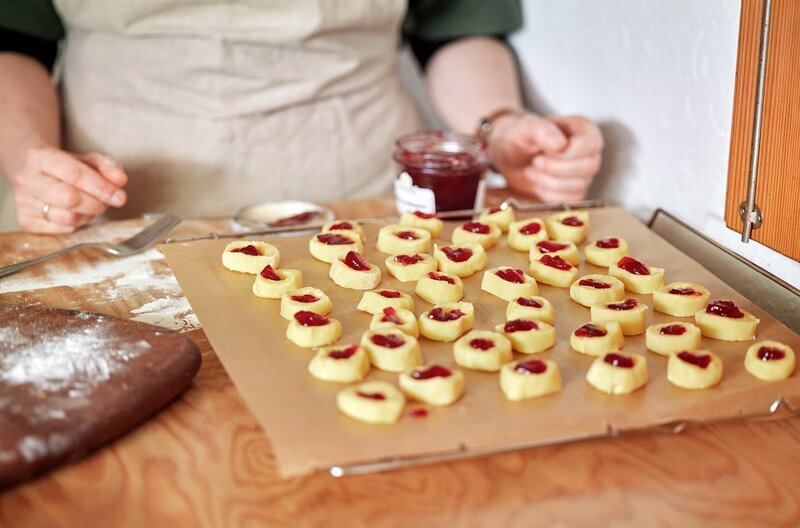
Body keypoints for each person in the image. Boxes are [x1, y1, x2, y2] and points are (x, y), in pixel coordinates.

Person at [0, 0, 603, 234]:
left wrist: (498, 126)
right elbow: (16, 41)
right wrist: (30, 157)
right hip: (113, 212)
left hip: (363, 206)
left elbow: (453, 27)